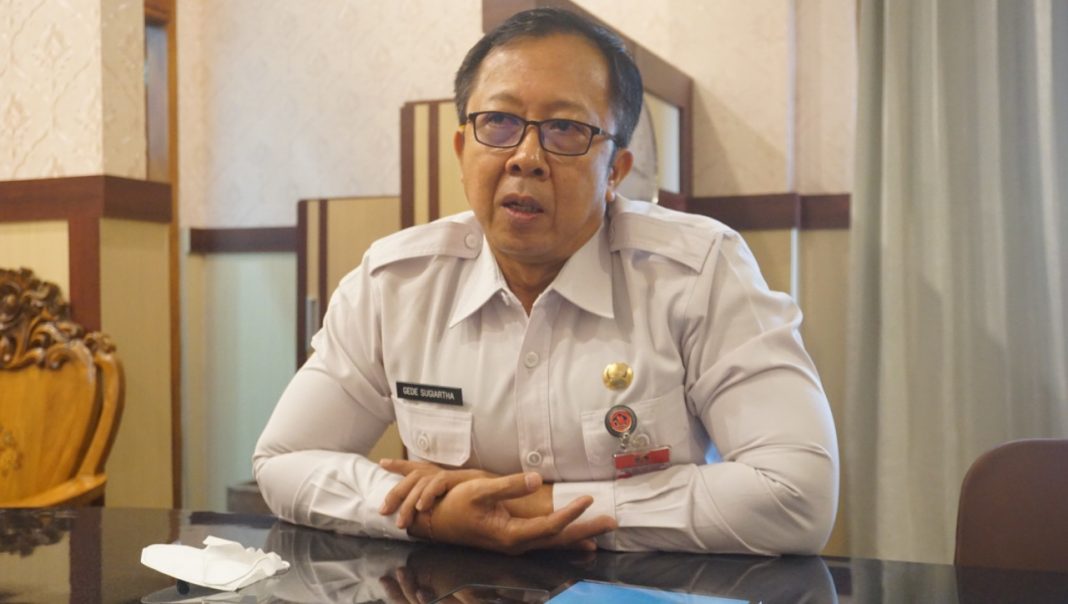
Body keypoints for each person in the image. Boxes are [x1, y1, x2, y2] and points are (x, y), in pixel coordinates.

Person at [254, 7, 839, 555]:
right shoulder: (395, 283)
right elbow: (284, 460)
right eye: (499, 122)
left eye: (564, 129)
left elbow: (797, 492)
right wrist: (427, 514)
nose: (526, 157)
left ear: (616, 171)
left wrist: (544, 507)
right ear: (462, 149)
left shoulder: (700, 271)